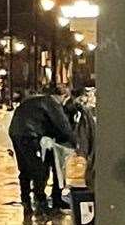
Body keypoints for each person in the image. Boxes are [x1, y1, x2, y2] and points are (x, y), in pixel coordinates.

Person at [7, 88, 76, 216]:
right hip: (30, 134)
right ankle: (41, 201)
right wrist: (76, 143)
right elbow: (63, 126)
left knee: (25, 168)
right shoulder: (51, 103)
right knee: (39, 169)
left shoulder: (35, 100)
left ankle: (26, 200)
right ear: (62, 96)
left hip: (16, 132)